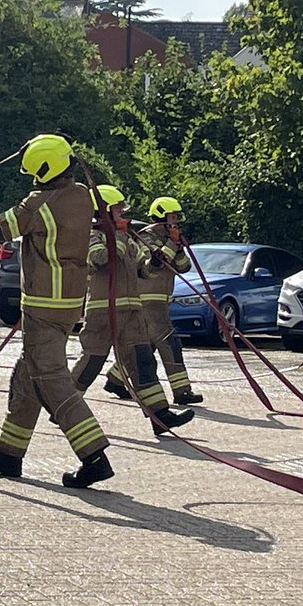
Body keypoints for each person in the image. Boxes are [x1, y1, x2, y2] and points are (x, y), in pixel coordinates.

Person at [0, 134, 115, 488]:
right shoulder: (82, 197)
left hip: (43, 304)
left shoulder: (40, 203)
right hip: (69, 304)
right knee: (27, 377)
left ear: (45, 169)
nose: (33, 179)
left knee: (53, 382)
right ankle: (9, 455)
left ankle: (94, 455)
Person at [71, 185, 194, 436]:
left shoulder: (127, 238)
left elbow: (144, 270)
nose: (122, 214)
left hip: (130, 310)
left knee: (143, 362)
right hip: (103, 312)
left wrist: (156, 261)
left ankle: (160, 416)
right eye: (117, 210)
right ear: (103, 212)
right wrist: (116, 235)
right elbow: (102, 259)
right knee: (93, 360)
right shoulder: (90, 236)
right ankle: (64, 405)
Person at [104, 196, 202, 405]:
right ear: (161, 216)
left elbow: (183, 266)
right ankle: (182, 391)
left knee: (146, 345)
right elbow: (159, 263)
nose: (175, 220)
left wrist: (178, 245)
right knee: (169, 341)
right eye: (172, 216)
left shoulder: (170, 239)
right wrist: (170, 243)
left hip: (161, 300)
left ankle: (116, 379)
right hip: (148, 300)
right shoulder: (145, 237)